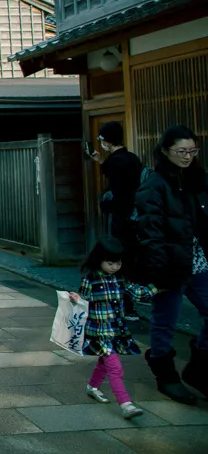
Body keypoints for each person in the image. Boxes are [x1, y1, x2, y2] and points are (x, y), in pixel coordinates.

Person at [135, 125, 208, 405]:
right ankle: (165, 375)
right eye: (181, 151)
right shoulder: (154, 184)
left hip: (198, 258)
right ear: (165, 151)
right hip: (168, 263)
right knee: (166, 320)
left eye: (192, 151)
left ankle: (199, 368)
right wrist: (158, 271)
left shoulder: (197, 179)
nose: (188, 156)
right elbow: (149, 232)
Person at [68, 237, 156, 420]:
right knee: (115, 368)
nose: (115, 267)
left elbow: (138, 293)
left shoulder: (120, 279)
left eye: (118, 263)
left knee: (104, 362)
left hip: (116, 330)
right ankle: (126, 404)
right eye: (110, 263)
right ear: (99, 260)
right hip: (99, 332)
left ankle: (92, 387)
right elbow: (83, 301)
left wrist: (158, 288)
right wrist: (76, 298)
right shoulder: (90, 280)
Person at [88, 121, 145, 321]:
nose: (101, 143)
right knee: (129, 258)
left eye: (102, 140)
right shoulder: (131, 158)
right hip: (134, 216)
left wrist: (106, 204)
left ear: (107, 140)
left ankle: (124, 306)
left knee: (116, 261)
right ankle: (131, 303)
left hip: (119, 217)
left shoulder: (115, 161)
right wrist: (99, 161)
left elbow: (117, 189)